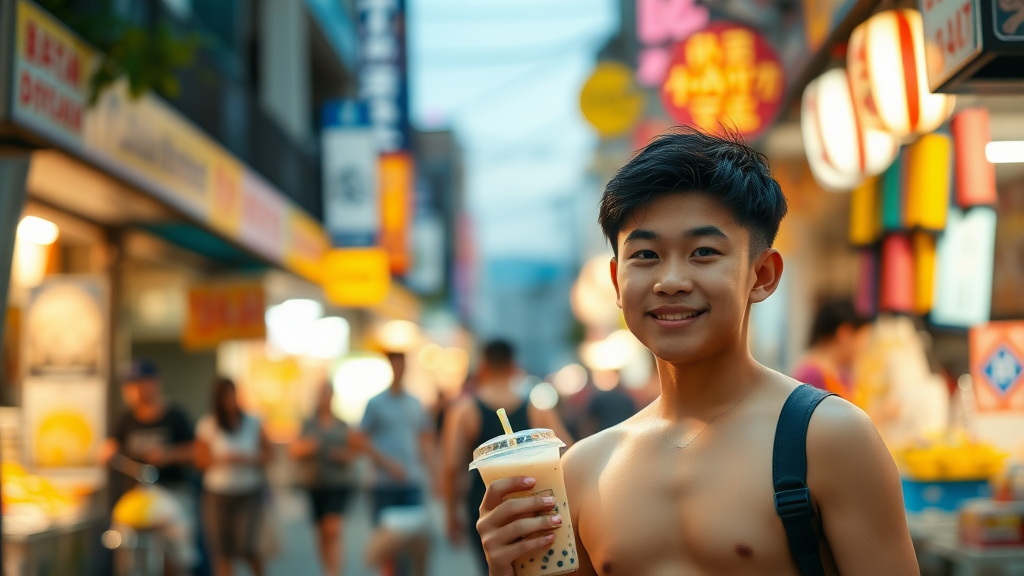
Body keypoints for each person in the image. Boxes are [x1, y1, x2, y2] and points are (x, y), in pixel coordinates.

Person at [475, 128, 918, 575]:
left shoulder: (828, 439)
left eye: (703, 252)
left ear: (762, 274)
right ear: (616, 282)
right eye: (645, 255)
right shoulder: (585, 469)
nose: (670, 280)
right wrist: (507, 567)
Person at [440, 340, 574, 571]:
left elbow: (452, 467)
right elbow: (569, 452)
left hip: (485, 508)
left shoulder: (464, 411)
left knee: (494, 567)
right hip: (533, 503)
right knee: (536, 567)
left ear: (482, 367)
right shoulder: (536, 409)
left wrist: (451, 514)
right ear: (514, 367)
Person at [102, 359, 198, 572]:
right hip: (137, 496)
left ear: (154, 383)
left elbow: (196, 450)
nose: (132, 390)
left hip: (172, 492)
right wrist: (108, 452)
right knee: (117, 537)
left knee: (177, 544)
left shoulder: (175, 416)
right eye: (128, 385)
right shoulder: (125, 418)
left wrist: (169, 455)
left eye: (138, 383)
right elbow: (112, 445)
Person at [360, 351, 435, 576]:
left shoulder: (415, 403)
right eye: (395, 365)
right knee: (388, 547)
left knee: (414, 543)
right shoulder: (376, 403)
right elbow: (358, 439)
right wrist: (386, 462)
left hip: (411, 481)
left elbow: (425, 440)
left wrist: (436, 473)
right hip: (383, 484)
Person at [195, 377, 271, 576]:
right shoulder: (208, 424)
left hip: (248, 491)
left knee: (248, 547)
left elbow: (269, 454)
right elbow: (200, 460)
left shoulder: (253, 421)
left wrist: (247, 459)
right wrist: (220, 460)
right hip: (217, 493)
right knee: (221, 551)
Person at [289, 383, 361, 576]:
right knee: (321, 532)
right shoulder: (308, 424)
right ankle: (327, 570)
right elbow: (294, 450)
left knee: (333, 529)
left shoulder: (342, 424)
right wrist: (309, 446)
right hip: (315, 484)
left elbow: (355, 451)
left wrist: (342, 455)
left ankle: (335, 572)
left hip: (339, 484)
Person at [792, 298, 869, 400]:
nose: (863, 347)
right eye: (861, 338)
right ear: (844, 333)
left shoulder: (840, 372)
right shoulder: (811, 376)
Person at [581, 372, 638, 438]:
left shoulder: (598, 398)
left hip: (604, 435)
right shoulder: (626, 397)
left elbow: (590, 421)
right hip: (623, 434)